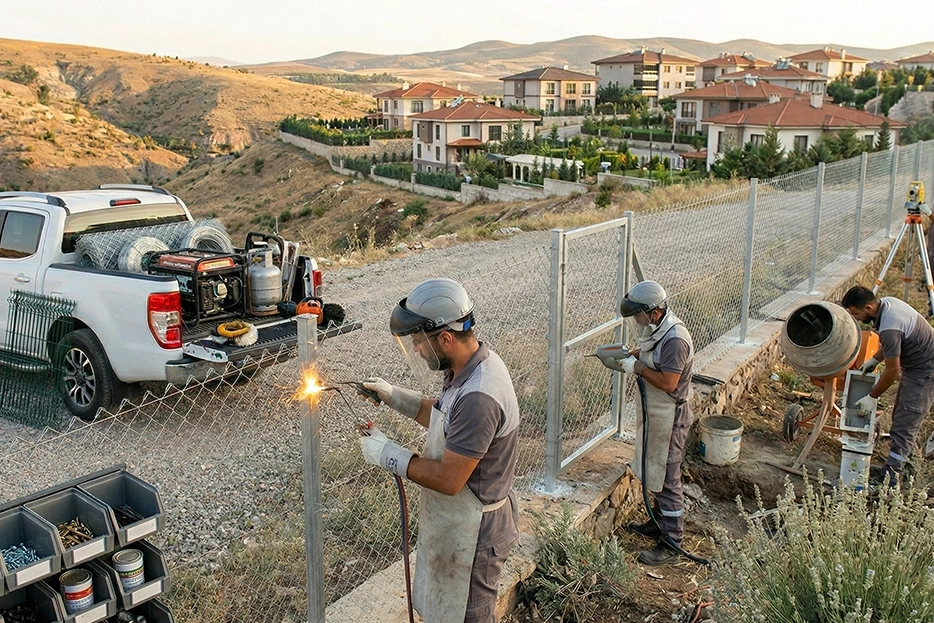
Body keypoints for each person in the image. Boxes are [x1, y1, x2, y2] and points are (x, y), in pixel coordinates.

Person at [358, 278, 520, 623]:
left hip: (475, 532)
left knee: (467, 617)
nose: (416, 349)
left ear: (445, 338)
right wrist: (394, 396)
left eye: (418, 340)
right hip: (460, 524)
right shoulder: (471, 366)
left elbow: (449, 479)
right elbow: (447, 420)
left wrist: (388, 453)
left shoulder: (479, 396)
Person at [617, 280, 694, 566]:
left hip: (671, 417)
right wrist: (635, 355)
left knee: (668, 476)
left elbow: (668, 381)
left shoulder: (675, 340)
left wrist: (637, 367)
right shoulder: (660, 330)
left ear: (654, 312)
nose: (637, 321)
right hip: (658, 414)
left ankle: (673, 540)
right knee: (657, 471)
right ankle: (660, 522)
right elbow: (655, 358)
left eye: (639, 316)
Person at [842, 285, 934, 486]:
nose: (856, 318)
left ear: (868, 307)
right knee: (900, 418)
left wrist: (872, 396)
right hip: (920, 365)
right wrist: (875, 359)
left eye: (856, 314)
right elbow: (894, 344)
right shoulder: (887, 304)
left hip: (926, 371)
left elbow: (893, 371)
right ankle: (896, 467)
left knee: (905, 422)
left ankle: (892, 479)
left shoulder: (889, 326)